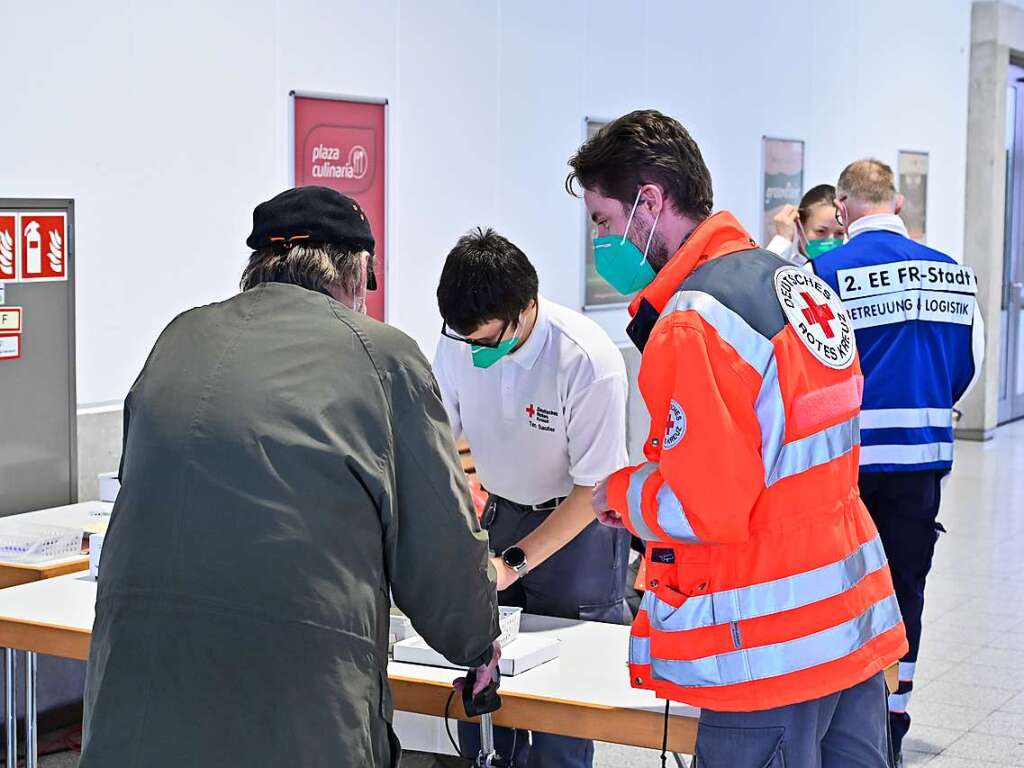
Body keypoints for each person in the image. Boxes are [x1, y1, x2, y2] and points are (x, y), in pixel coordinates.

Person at [79, 186, 501, 768]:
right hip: (298, 709)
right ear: (356, 274)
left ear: (258, 266)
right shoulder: (383, 357)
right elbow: (439, 546)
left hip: (135, 697)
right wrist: (477, 640)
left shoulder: (178, 337)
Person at [568, 110, 908, 767]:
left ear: (651, 201)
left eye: (605, 221)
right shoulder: (796, 285)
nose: (602, 240)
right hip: (844, 624)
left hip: (766, 649)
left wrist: (623, 492)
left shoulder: (696, 323)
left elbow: (707, 507)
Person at [434, 227, 630, 768]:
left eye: (487, 340)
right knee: (486, 696)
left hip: (579, 530)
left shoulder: (586, 360)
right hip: (500, 514)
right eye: (464, 340)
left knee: (562, 713)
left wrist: (514, 563)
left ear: (525, 310)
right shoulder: (458, 342)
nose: (475, 352)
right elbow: (436, 440)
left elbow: (595, 489)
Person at [812, 159, 984, 766]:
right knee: (904, 587)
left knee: (836, 588)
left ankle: (837, 717)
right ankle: (893, 716)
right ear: (900, 203)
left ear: (841, 206)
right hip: (922, 461)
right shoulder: (954, 275)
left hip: (843, 466)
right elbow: (967, 367)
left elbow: (805, 371)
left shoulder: (821, 273)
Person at [767, 184, 846, 266]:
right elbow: (761, 275)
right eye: (821, 231)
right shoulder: (784, 263)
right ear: (799, 226)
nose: (831, 240)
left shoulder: (849, 267)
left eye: (840, 233)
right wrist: (783, 238)